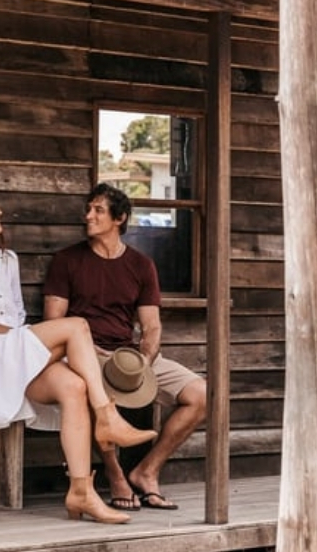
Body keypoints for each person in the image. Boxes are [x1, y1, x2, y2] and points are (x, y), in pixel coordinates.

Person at [0, 188, 157, 524]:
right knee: (77, 327)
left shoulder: (7, 260)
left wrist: (27, 341)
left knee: (74, 387)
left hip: (15, 348)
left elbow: (17, 312)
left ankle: (81, 492)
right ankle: (108, 417)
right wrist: (25, 339)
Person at [42, 183, 207, 511]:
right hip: (83, 354)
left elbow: (152, 326)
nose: (88, 216)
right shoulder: (67, 260)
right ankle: (115, 474)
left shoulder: (141, 265)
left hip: (128, 356)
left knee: (202, 395)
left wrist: (144, 359)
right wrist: (87, 353)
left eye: (98, 210)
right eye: (88, 209)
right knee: (90, 392)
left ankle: (147, 471)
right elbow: (53, 321)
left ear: (119, 218)